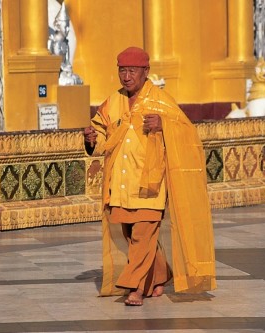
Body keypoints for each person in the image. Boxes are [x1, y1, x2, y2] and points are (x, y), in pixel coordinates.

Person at [84, 46, 216, 306]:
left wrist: (164, 125)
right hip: (120, 184)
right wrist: (91, 139)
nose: (126, 76)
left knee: (142, 237)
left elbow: (189, 135)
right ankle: (160, 274)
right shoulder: (113, 101)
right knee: (132, 235)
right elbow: (100, 132)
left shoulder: (161, 101)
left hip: (151, 184)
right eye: (122, 70)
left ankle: (133, 287)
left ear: (146, 72)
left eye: (132, 71)